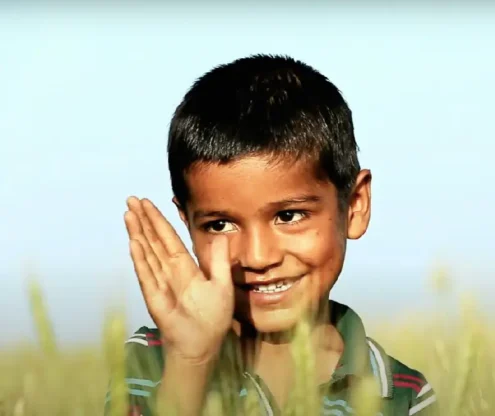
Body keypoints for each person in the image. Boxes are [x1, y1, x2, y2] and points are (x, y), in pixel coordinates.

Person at [107, 54, 438, 416]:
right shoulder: (154, 360)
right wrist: (191, 362)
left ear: (355, 206)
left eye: (288, 216)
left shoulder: (401, 394)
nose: (258, 257)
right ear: (187, 222)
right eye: (220, 225)